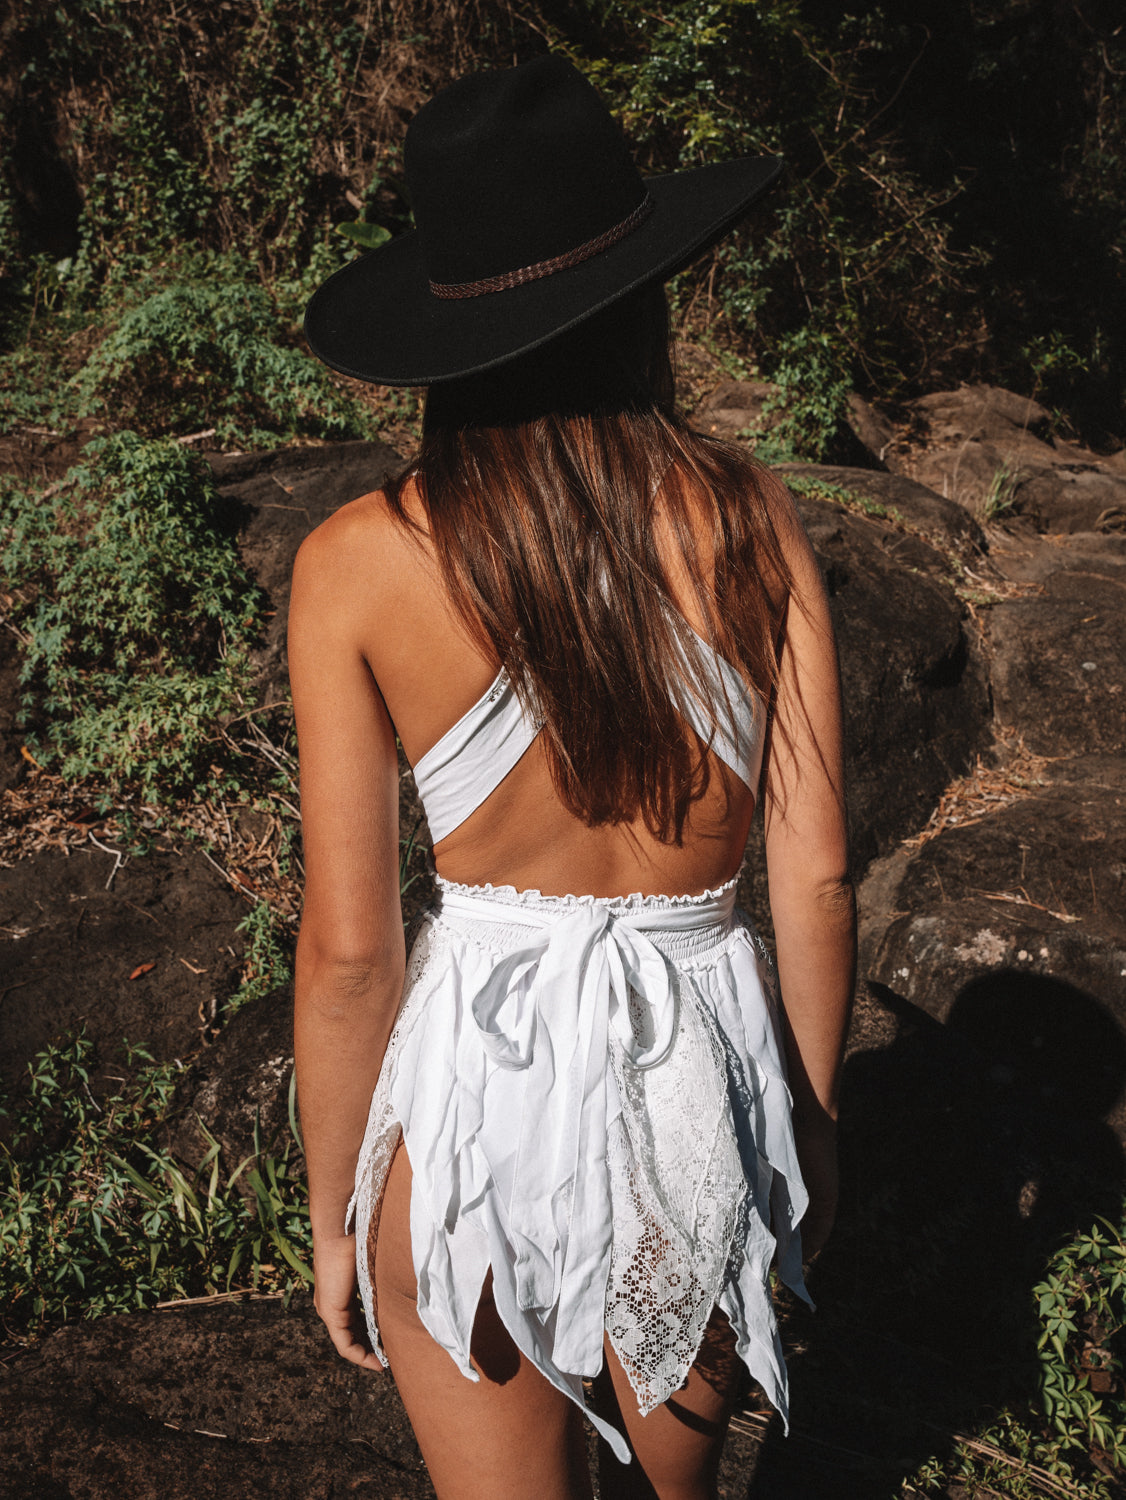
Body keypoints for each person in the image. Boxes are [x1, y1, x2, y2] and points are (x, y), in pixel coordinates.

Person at [290, 54, 855, 1500]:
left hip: (475, 1107)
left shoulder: (355, 562)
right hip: (691, 1084)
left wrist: (337, 1212)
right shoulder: (747, 518)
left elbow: (351, 951)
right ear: (639, 295)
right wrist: (807, 1129)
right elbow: (815, 875)